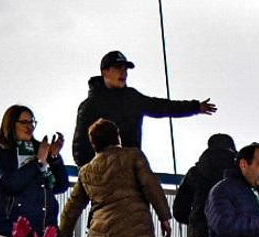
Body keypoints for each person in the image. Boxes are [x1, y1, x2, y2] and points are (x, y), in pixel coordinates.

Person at [71, 50, 217, 168]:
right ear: (105, 72)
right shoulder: (90, 106)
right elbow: (80, 149)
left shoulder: (132, 98)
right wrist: (94, 173)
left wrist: (195, 107)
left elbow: (162, 107)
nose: (124, 73)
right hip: (103, 178)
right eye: (118, 68)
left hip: (130, 172)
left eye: (125, 69)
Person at [59, 119, 172, 237]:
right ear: (117, 136)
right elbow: (151, 186)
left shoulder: (86, 171)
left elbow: (72, 209)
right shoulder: (133, 156)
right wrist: (164, 217)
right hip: (134, 234)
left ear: (94, 144)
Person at [0, 105, 68, 237]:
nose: (29, 126)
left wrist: (54, 157)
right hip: (10, 228)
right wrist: (37, 163)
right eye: (24, 122)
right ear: (11, 124)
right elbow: (8, 183)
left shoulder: (40, 149)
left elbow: (61, 185)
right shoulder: (0, 152)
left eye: (32, 122)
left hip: (43, 227)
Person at [172, 134, 237, 237]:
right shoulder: (241, 171)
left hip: (201, 232)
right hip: (233, 232)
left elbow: (179, 210)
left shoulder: (195, 172)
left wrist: (195, 219)